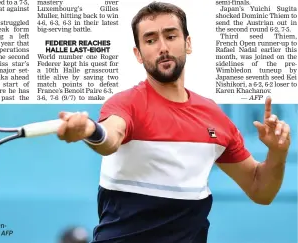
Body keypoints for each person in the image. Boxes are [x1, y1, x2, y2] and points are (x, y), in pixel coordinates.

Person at [56, 1, 291, 243]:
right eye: (150, 40)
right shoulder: (125, 104)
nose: (162, 47)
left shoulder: (215, 117)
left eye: (171, 36)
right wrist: (88, 130)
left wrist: (277, 152)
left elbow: (260, 190)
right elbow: (109, 139)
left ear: (187, 43)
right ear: (138, 54)